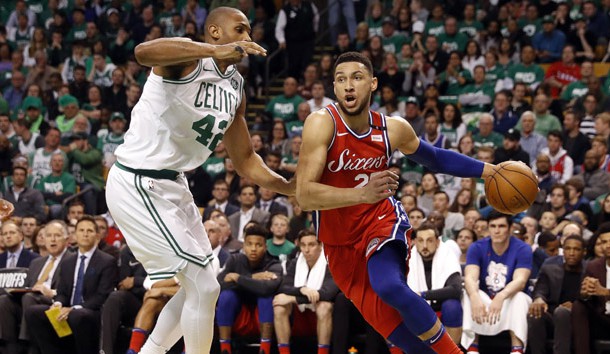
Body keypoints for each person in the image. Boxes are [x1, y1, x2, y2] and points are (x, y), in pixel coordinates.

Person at [105, 7, 294, 354]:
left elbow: (246, 160)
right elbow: (142, 53)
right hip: (137, 181)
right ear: (215, 32)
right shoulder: (189, 60)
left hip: (173, 184)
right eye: (240, 29)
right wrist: (210, 51)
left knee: (204, 286)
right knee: (203, 286)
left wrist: (289, 187)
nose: (248, 39)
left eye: (251, 32)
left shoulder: (236, 86)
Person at [296, 52, 499, 354]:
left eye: (356, 77)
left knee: (389, 285)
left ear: (373, 83)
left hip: (380, 221)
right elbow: (304, 195)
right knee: (400, 335)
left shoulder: (393, 128)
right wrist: (360, 194)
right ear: (334, 88)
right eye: (340, 80)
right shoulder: (321, 123)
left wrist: (490, 171)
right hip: (338, 243)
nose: (348, 86)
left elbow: (435, 158)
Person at [24, 216, 118, 354]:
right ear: (75, 234)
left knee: (77, 315)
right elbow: (62, 293)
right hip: (67, 310)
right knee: (33, 312)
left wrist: (73, 308)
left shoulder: (107, 261)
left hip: (91, 311)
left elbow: (102, 296)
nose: (85, 234)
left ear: (97, 236)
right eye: (81, 230)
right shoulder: (68, 262)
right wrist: (58, 304)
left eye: (89, 231)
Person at [462, 212, 532, 354]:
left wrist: (501, 296)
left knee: (519, 298)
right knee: (468, 293)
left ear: (510, 228)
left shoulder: (522, 248)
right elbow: (470, 277)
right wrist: (474, 296)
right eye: (493, 226)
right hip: (484, 302)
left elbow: (520, 281)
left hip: (508, 300)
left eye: (501, 226)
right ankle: (472, 347)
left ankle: (516, 348)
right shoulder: (477, 247)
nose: (497, 230)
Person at [216, 224, 283, 354]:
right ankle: (225, 349)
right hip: (239, 314)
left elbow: (266, 289)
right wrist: (253, 277)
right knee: (226, 296)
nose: (253, 249)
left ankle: (265, 349)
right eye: (249, 244)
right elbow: (219, 285)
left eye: (258, 245)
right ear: (243, 245)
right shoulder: (234, 259)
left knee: (266, 297)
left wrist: (238, 278)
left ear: (265, 246)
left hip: (263, 314)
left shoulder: (274, 264)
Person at [527, 235, 586, 354]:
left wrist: (576, 306)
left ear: (584, 252)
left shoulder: (589, 269)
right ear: (562, 251)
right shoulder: (550, 266)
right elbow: (540, 288)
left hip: (578, 319)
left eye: (576, 249)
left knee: (562, 312)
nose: (571, 253)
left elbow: (591, 298)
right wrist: (539, 299)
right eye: (568, 249)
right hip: (552, 316)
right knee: (535, 313)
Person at [407, 223, 463, 343]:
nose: (425, 245)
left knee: (452, 306)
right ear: (415, 242)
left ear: (437, 242)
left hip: (441, 304)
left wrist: (423, 295)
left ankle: (451, 351)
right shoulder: (409, 259)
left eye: (430, 241)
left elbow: (456, 289)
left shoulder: (447, 255)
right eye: (421, 241)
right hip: (417, 305)